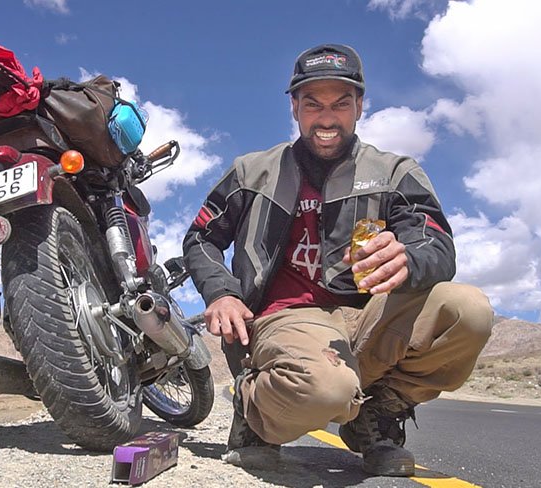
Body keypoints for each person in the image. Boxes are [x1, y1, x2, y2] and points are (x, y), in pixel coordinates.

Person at [182, 44, 493, 477]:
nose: (327, 118)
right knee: (326, 390)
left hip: (368, 317)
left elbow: (438, 245)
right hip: (288, 317)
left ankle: (376, 416)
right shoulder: (252, 171)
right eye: (313, 103)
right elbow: (201, 238)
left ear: (360, 106)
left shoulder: (395, 172)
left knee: (469, 311)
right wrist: (222, 293)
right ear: (294, 107)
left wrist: (409, 258)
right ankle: (254, 409)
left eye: (341, 103)